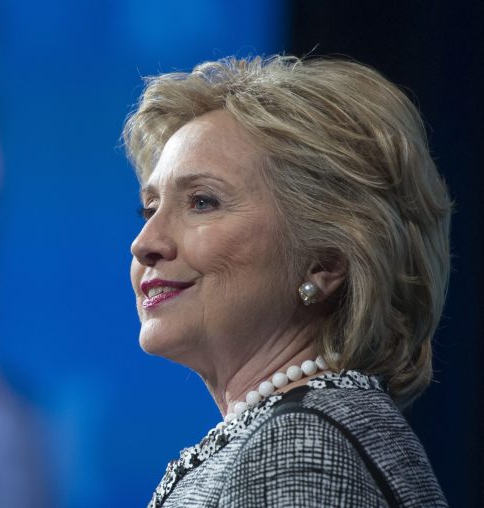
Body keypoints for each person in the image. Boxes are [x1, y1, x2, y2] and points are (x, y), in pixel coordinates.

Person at [123, 55, 450, 507]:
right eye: (149, 208)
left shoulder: (297, 445)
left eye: (202, 201)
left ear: (325, 262)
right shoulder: (305, 426)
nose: (145, 242)